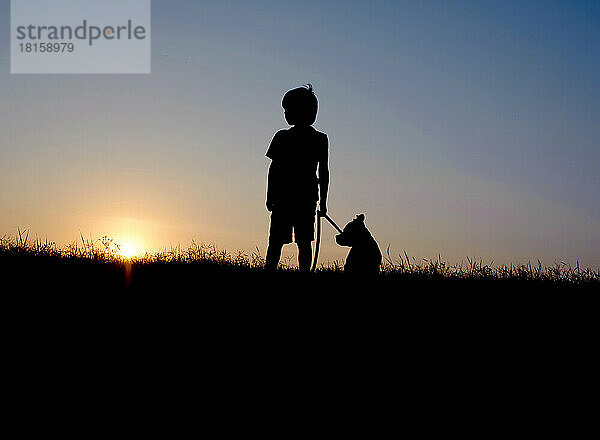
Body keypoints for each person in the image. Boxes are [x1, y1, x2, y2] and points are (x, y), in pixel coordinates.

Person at [265, 84, 329, 272]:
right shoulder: (318, 138)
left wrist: (270, 195)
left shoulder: (284, 137)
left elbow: (273, 170)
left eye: (287, 109)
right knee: (301, 241)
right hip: (303, 198)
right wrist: (323, 203)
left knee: (282, 241)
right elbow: (323, 173)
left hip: (293, 198)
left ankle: (273, 271)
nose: (285, 114)